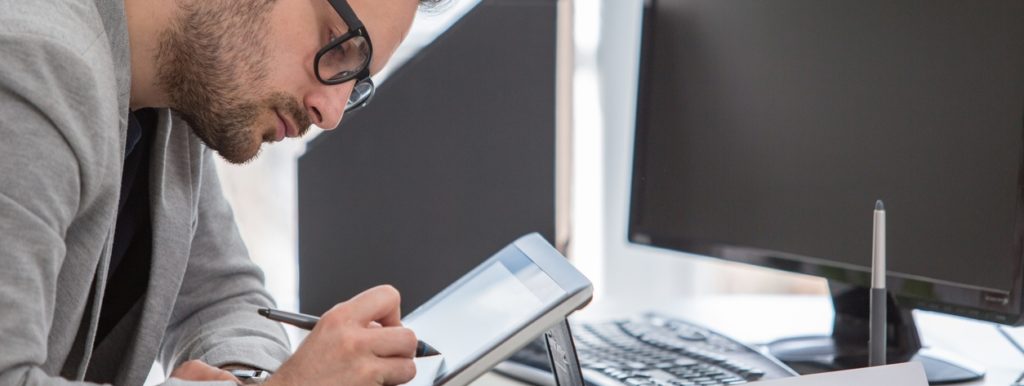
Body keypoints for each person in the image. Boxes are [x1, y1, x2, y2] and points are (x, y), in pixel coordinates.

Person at [0, 0, 441, 384]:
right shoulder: (32, 64)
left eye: (356, 80)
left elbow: (220, 297)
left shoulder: (175, 95)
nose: (330, 112)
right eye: (339, 44)